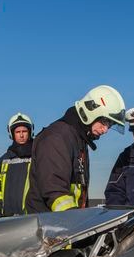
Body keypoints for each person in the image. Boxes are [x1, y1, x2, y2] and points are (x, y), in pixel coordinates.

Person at [26, 85, 125, 213]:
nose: (105, 130)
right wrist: (75, 220)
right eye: (104, 122)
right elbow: (55, 191)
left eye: (110, 125)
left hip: (65, 222)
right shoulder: (56, 138)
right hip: (49, 225)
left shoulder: (79, 139)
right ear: (91, 110)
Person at [0, 113, 34, 216]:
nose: (21, 135)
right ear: (11, 134)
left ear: (30, 132)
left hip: (31, 216)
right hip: (7, 218)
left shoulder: (38, 156)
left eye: (24, 131)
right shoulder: (3, 160)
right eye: (17, 132)